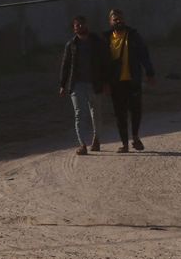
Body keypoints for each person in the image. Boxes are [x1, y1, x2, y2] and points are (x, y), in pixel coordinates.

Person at [105, 8, 156, 152]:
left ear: (124, 19)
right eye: (115, 19)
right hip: (116, 83)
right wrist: (105, 83)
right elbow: (102, 63)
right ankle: (125, 144)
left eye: (120, 18)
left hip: (132, 80)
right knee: (120, 114)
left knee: (136, 110)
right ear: (110, 22)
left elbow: (143, 54)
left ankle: (135, 136)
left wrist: (150, 73)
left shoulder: (133, 36)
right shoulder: (107, 38)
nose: (118, 21)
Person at [58, 16, 110, 155]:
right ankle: (82, 144)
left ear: (87, 25)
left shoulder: (97, 42)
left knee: (96, 113)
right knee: (79, 114)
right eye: (77, 25)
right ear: (74, 28)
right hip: (77, 84)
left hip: (95, 83)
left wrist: (106, 82)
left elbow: (105, 63)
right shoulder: (71, 45)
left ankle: (96, 139)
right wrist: (63, 84)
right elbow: (66, 65)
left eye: (81, 24)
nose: (79, 27)